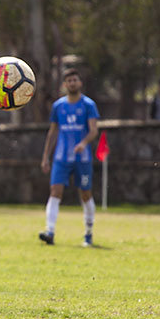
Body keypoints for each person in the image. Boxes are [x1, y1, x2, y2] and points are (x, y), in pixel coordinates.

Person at [39, 68, 100, 247]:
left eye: (75, 80)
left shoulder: (88, 105)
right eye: (69, 81)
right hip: (61, 158)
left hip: (83, 159)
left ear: (80, 83)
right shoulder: (58, 106)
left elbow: (94, 130)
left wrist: (83, 143)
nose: (72, 83)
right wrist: (45, 157)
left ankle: (88, 233)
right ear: (64, 85)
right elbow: (52, 132)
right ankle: (50, 231)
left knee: (85, 194)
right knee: (55, 192)